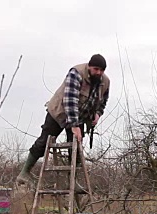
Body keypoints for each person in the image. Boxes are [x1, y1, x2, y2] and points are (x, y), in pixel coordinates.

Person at [16, 54, 110, 186]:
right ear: (89, 66)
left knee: (76, 147)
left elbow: (103, 100)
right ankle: (24, 172)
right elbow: (70, 101)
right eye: (96, 69)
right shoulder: (76, 74)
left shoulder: (105, 82)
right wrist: (74, 125)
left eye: (101, 70)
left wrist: (98, 113)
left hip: (80, 116)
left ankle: (73, 181)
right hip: (59, 112)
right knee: (44, 142)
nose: (98, 72)